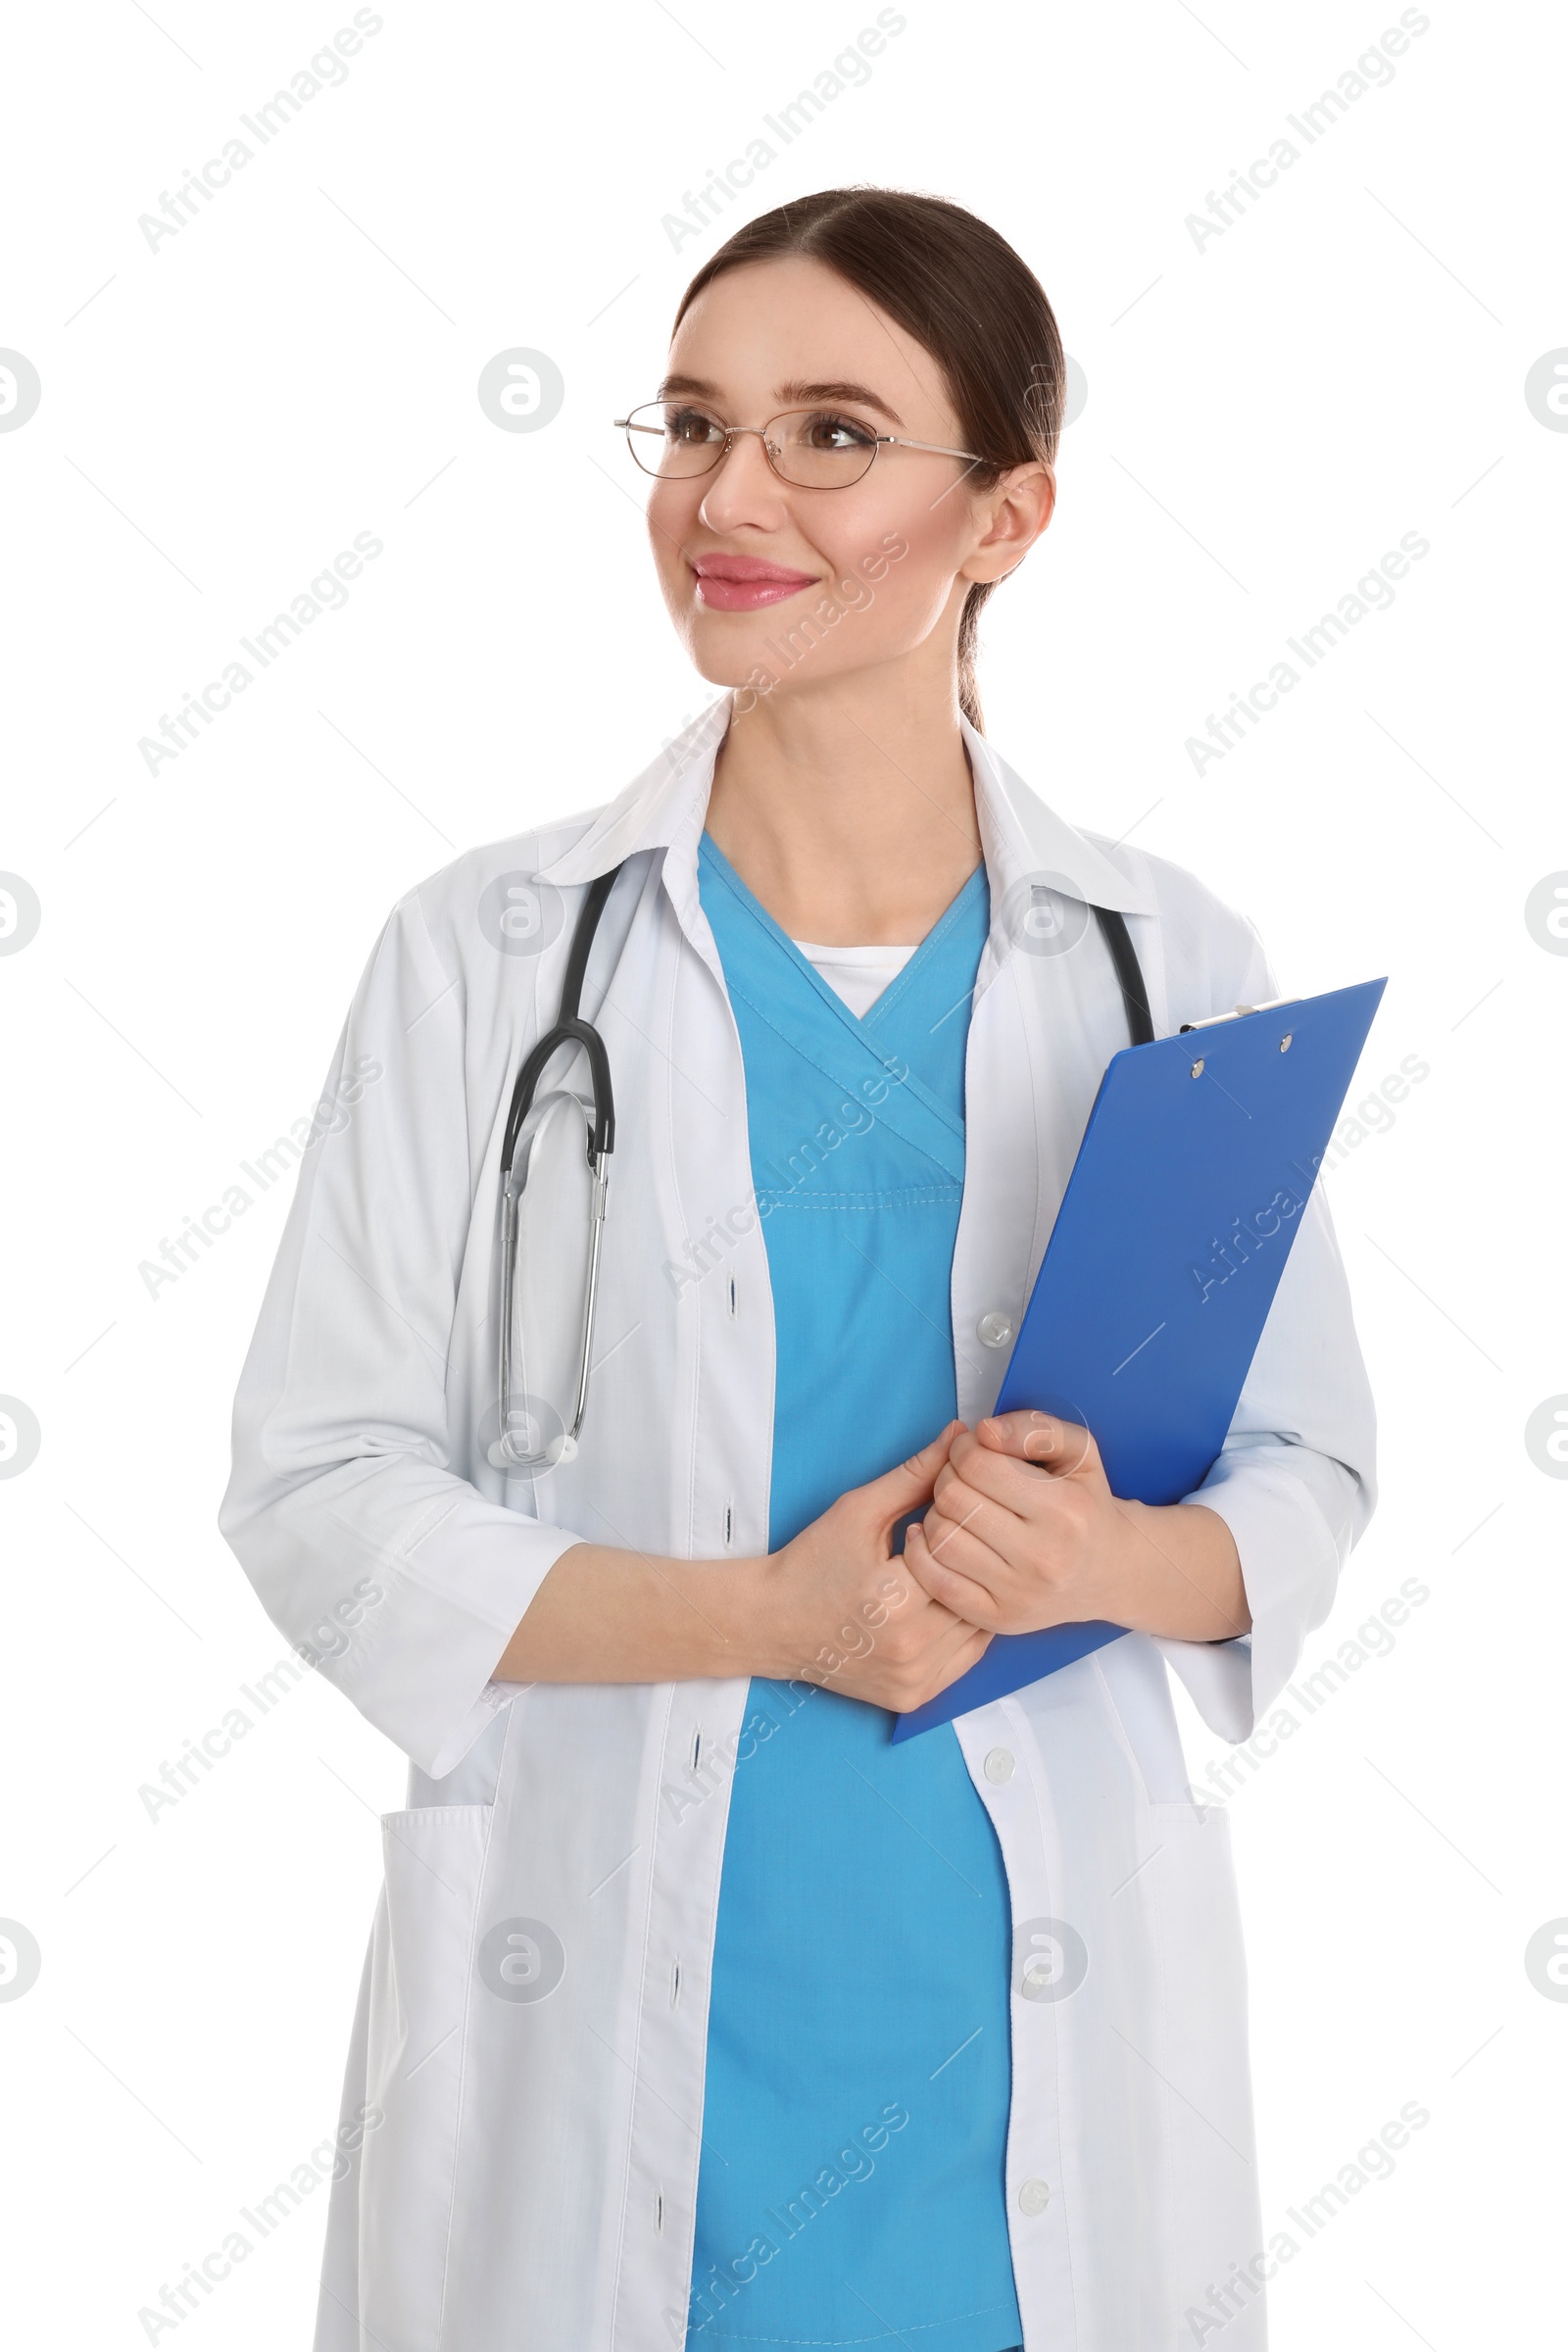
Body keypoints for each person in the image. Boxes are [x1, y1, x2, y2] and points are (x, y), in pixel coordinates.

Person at [220, 186, 1375, 2352]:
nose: (726, 496)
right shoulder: (485, 957)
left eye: (829, 432)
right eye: (688, 423)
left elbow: (1301, 1483)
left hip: (1021, 2016)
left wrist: (1103, 1565)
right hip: (593, 2001)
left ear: (1007, 516)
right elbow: (317, 1498)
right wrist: (769, 1617)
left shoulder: (1163, 966)